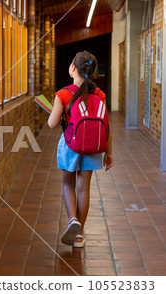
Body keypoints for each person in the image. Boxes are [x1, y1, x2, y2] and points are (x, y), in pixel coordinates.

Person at [47, 51, 113, 248]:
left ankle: (72, 220)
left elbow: (52, 123)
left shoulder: (63, 94)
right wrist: (109, 152)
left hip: (70, 146)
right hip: (94, 147)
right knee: (84, 188)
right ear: (90, 71)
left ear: (73, 68)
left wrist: (52, 109)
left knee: (69, 184)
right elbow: (107, 125)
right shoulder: (99, 94)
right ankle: (79, 236)